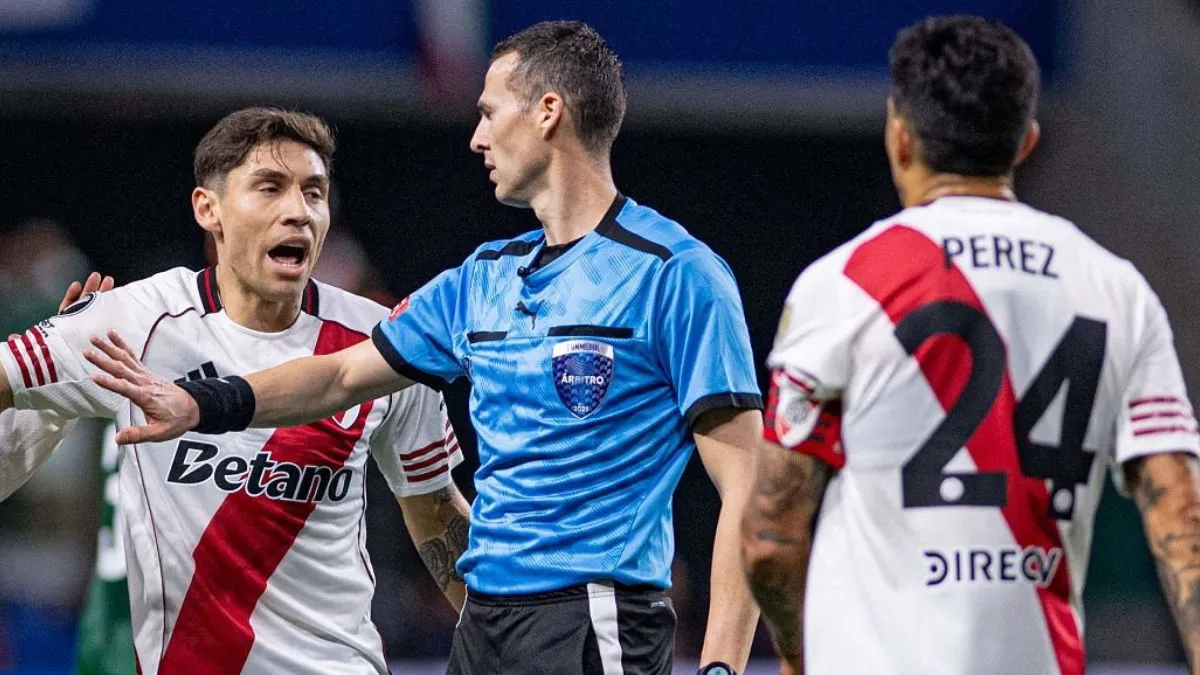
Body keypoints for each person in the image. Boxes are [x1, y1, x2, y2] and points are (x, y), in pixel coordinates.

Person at [85, 20, 763, 675]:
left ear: (548, 112)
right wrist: (203, 402)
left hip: (593, 619)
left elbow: (749, 485)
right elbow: (340, 375)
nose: (476, 137)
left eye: (490, 112)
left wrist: (722, 665)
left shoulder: (675, 273)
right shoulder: (483, 277)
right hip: (484, 623)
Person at [740, 14, 1200, 675]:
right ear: (1027, 142)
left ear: (900, 136)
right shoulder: (1116, 287)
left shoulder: (844, 284)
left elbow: (768, 538)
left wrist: (794, 650)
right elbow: (1179, 511)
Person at [0, 107, 471, 674]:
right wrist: (51, 402)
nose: (297, 211)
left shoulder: (383, 345)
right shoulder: (134, 323)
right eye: (269, 189)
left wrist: (514, 638)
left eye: (313, 193)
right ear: (209, 209)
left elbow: (436, 515)